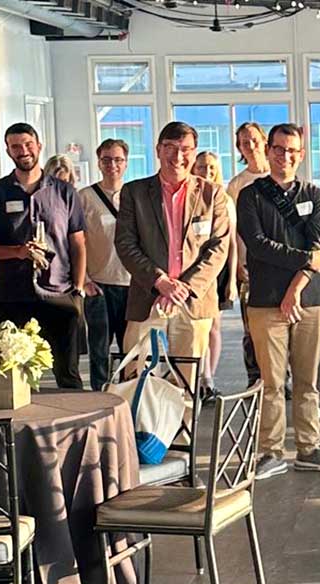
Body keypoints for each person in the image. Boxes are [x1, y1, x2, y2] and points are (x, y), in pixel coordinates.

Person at [237, 123, 320, 478]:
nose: (285, 156)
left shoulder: (315, 195)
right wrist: (304, 262)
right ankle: (270, 451)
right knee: (270, 382)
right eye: (279, 149)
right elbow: (257, 245)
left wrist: (296, 288)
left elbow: (319, 247)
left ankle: (309, 448)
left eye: (292, 151)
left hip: (311, 299)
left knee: (308, 379)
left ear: (301, 155)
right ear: (268, 151)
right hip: (266, 301)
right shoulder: (250, 196)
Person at [115, 121, 229, 392]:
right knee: (134, 377)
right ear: (158, 150)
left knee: (187, 383)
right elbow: (125, 244)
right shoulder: (135, 192)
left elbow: (219, 247)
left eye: (185, 149)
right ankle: (139, 433)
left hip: (192, 302)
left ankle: (182, 433)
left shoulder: (212, 195)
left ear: (195, 151)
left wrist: (184, 287)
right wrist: (160, 281)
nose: (178, 156)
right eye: (171, 148)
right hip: (148, 297)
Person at [0, 123, 87, 389]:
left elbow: (78, 243)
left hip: (59, 294)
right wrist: (15, 252)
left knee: (68, 376)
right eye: (16, 146)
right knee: (8, 377)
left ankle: (73, 429)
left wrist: (79, 290)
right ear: (8, 151)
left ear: (39, 145)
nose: (23, 151)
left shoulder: (64, 192)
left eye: (28, 144)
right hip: (10, 295)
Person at [79, 138, 130, 392]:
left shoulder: (135, 195)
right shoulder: (85, 197)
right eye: (107, 159)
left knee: (130, 349)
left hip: (132, 284)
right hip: (98, 283)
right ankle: (99, 396)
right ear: (99, 162)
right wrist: (84, 279)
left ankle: (128, 398)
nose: (113, 165)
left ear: (126, 163)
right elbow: (76, 241)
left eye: (118, 159)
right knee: (99, 348)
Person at [227, 122, 271, 389]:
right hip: (249, 266)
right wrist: (236, 267)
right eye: (245, 142)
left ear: (264, 141)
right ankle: (255, 378)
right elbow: (231, 231)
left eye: (254, 140)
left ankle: (281, 376)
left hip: (279, 266)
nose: (251, 145)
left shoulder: (279, 177)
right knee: (252, 327)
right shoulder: (237, 185)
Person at [191, 150, 237, 402]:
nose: (205, 172)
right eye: (201, 167)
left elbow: (231, 243)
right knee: (199, 326)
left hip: (219, 272)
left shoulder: (225, 200)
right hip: (194, 272)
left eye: (210, 167)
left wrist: (231, 280)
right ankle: (202, 377)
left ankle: (209, 378)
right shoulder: (190, 195)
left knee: (214, 327)